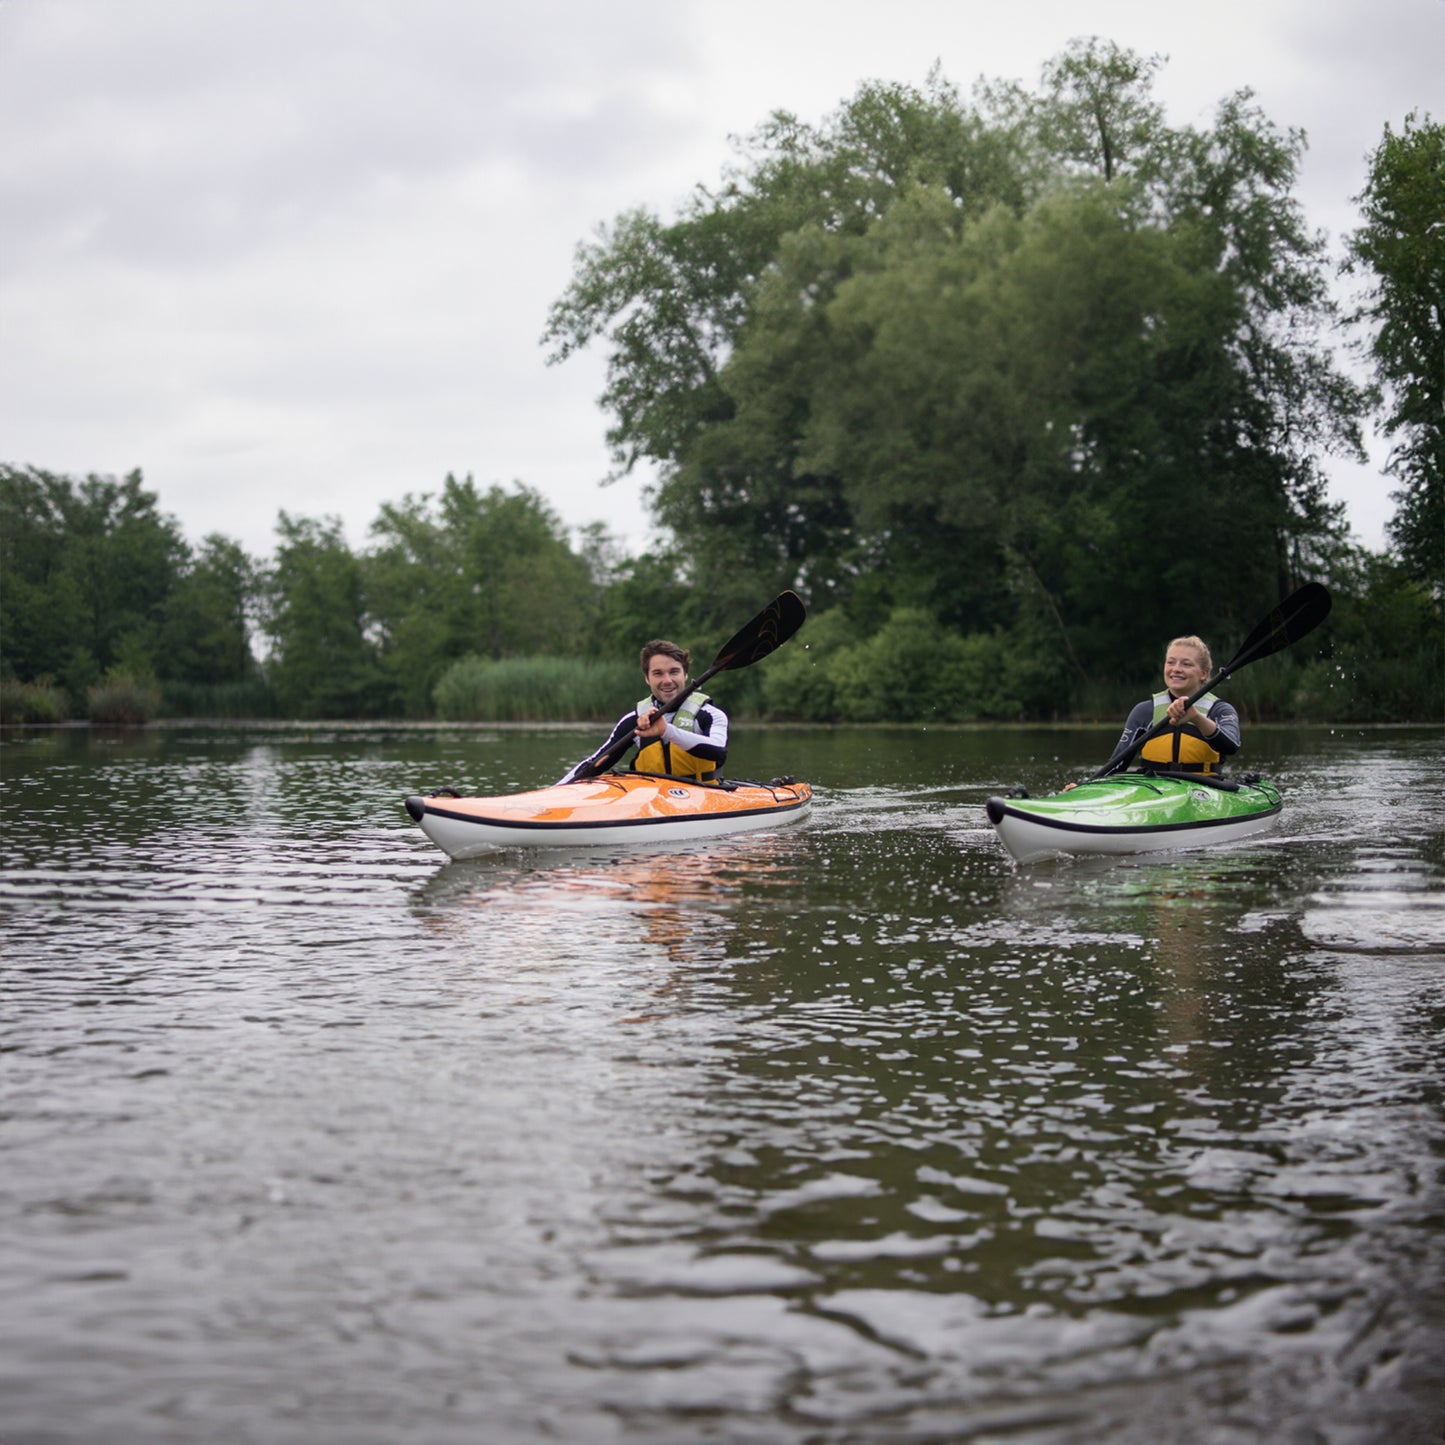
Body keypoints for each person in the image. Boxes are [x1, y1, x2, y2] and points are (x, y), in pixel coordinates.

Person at [558, 639, 729, 784]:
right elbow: (596, 762)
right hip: (652, 800)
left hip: (703, 796)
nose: (667, 680)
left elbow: (719, 752)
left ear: (685, 675)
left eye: (674, 672)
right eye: (658, 674)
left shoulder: (710, 715)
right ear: (647, 678)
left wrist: (666, 731)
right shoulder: (635, 719)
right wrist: (554, 792)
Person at [1101, 634, 1242, 777]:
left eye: (1186, 664)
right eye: (1171, 662)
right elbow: (1116, 765)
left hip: (1205, 785)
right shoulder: (1144, 711)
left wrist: (1196, 718)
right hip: (1153, 785)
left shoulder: (1220, 710)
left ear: (1204, 674)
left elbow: (1231, 746)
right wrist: (1091, 785)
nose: (1176, 669)